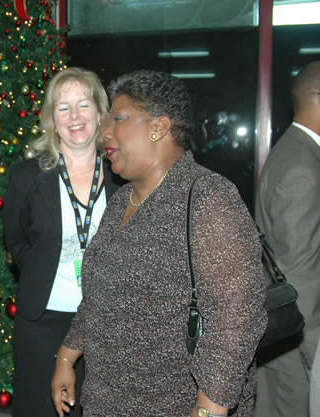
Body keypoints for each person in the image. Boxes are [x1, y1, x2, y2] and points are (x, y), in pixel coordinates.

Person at [51, 70, 267, 417]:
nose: (105, 132)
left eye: (118, 119)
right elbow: (98, 295)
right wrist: (66, 356)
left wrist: (208, 411)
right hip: (106, 400)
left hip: (175, 405)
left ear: (159, 127)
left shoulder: (208, 197)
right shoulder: (121, 201)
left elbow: (237, 317)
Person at [4, 67, 121, 417]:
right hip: (44, 323)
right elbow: (17, 243)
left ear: (100, 114)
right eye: (63, 107)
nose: (74, 117)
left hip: (109, 322)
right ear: (52, 120)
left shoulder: (124, 174)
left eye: (83, 105)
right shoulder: (27, 178)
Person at [254, 61, 320, 417]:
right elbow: (300, 276)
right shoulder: (302, 167)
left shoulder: (295, 151)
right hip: (297, 351)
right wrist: (314, 358)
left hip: (287, 348)